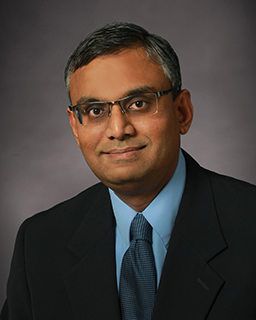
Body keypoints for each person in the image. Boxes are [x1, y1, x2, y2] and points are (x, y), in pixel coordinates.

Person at [1, 21, 256, 320]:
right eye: (95, 110)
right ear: (75, 126)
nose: (118, 129)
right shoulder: (40, 244)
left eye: (138, 103)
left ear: (182, 112)